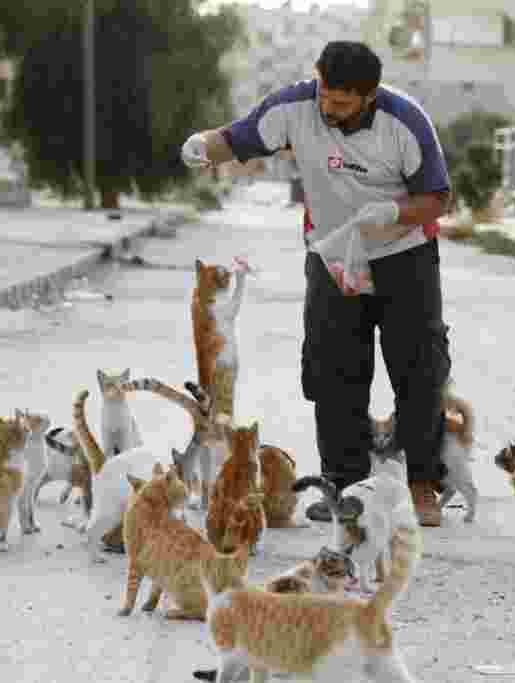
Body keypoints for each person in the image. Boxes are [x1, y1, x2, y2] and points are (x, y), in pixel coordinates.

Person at [180, 41, 452, 527]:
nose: (329, 109)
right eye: (325, 94)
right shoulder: (295, 108)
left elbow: (437, 197)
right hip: (332, 256)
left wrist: (392, 211)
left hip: (403, 256)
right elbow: (236, 138)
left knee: (420, 371)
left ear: (369, 97)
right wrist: (201, 147)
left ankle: (422, 484)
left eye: (342, 102)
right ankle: (343, 486)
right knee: (333, 372)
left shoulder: (406, 121)